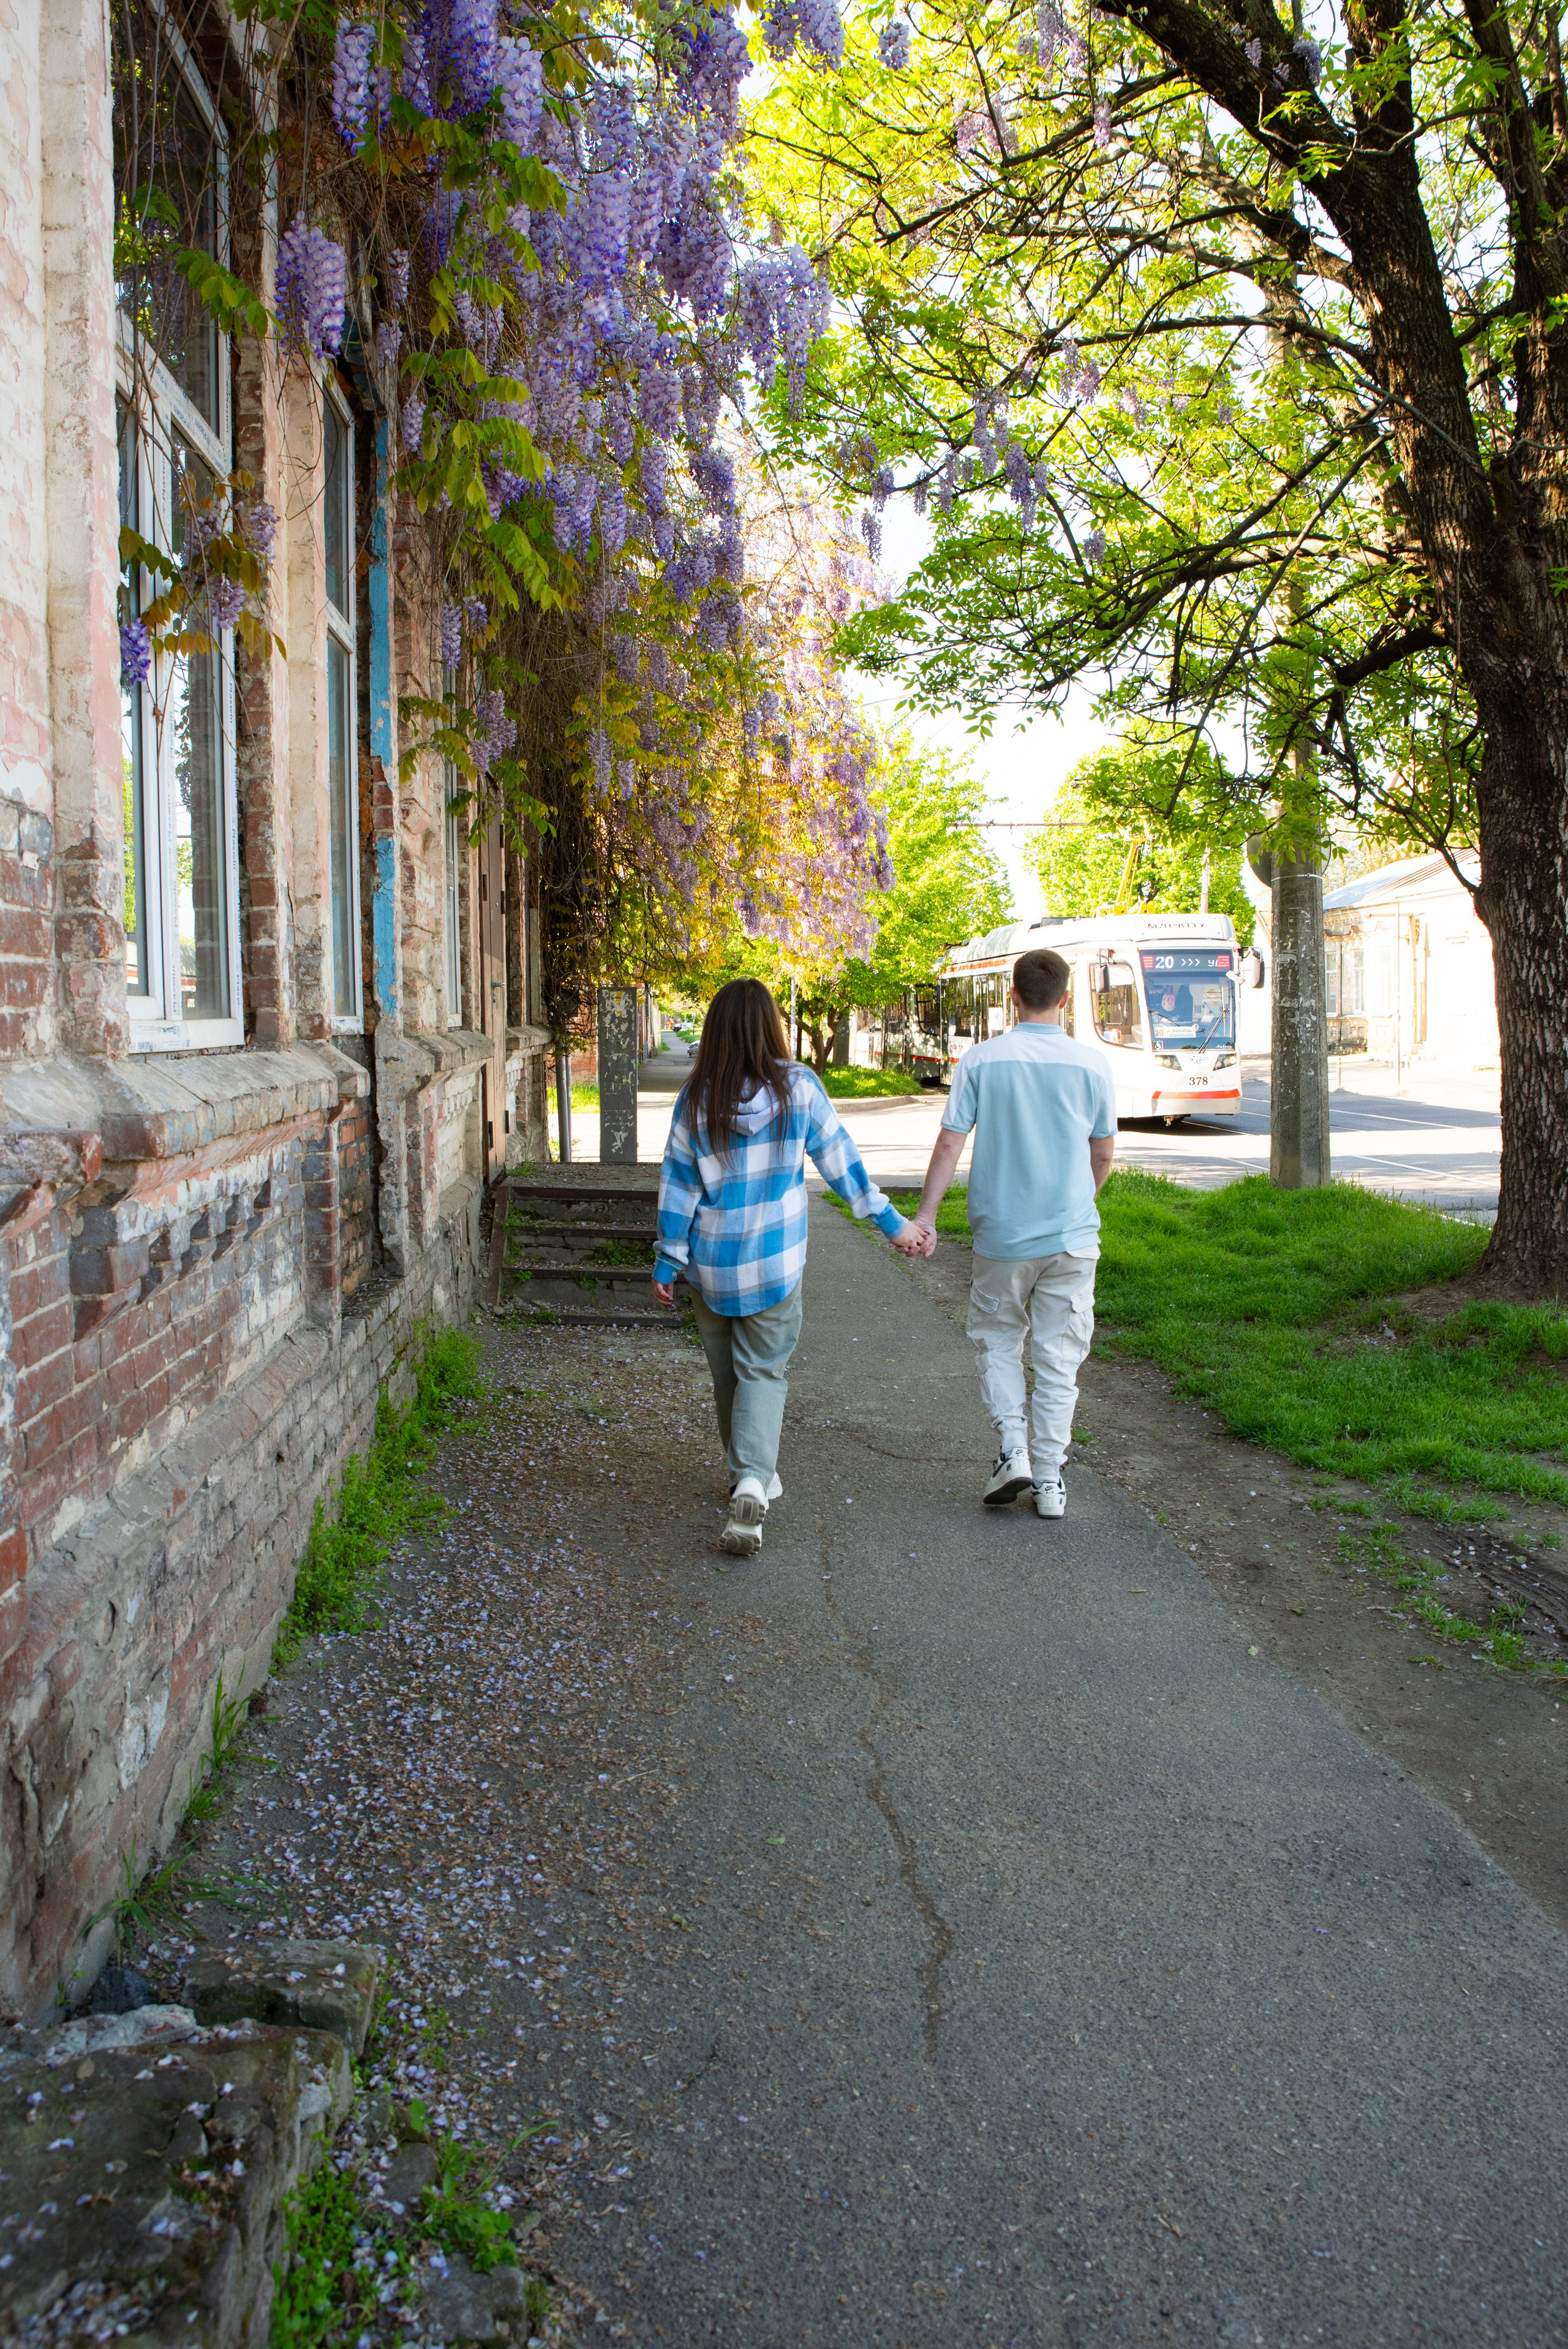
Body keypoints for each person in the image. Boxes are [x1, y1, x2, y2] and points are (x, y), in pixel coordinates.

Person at [652, 978, 931, 1556]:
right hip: (774, 1267)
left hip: (712, 1268)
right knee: (763, 1371)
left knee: (729, 1374)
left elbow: (677, 1187)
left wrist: (667, 1258)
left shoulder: (695, 1096)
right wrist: (893, 1225)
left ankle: (746, 1474)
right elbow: (842, 1166)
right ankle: (754, 1478)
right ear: (771, 1026)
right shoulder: (799, 1088)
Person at [907, 948, 1115, 1519]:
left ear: (1013, 996)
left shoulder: (981, 1061)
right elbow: (1103, 1154)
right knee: (1059, 1356)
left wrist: (925, 1219)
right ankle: (1050, 1481)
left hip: (1002, 1236)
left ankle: (1014, 1449)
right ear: (1066, 1000)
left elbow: (950, 1142)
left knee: (998, 1340)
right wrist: (1075, 1203)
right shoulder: (1093, 1065)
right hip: (1072, 1237)